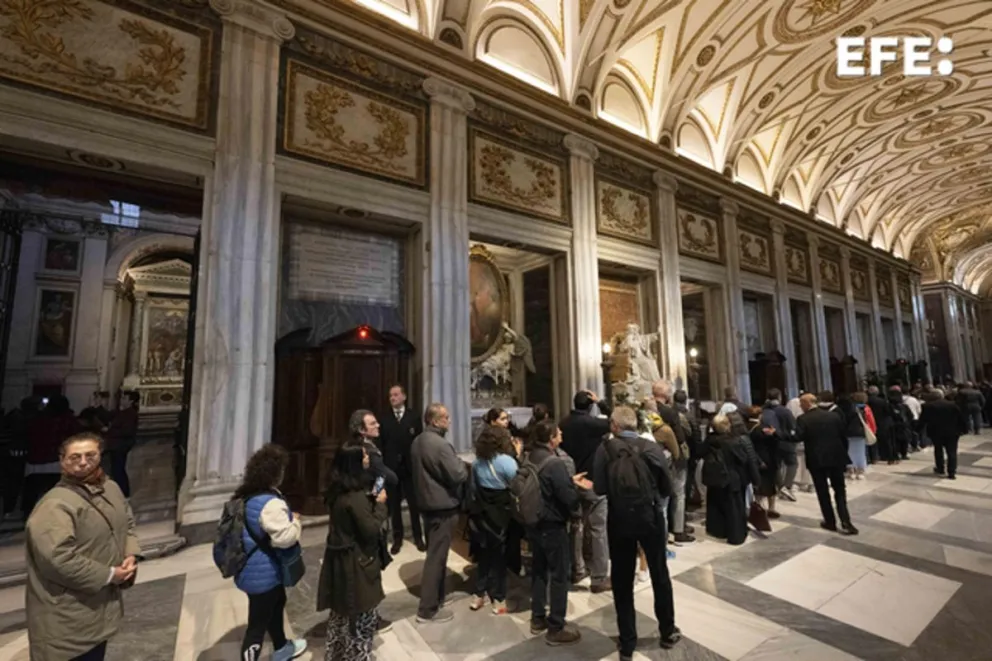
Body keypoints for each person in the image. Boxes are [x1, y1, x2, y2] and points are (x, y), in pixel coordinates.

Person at [25, 432, 140, 661]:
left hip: (99, 605)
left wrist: (130, 553)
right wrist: (109, 574)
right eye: (74, 457)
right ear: (62, 461)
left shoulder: (111, 488)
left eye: (91, 455)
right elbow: (57, 559)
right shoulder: (55, 504)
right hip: (67, 612)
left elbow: (126, 522)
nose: (83, 462)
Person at [593, 406, 681, 659]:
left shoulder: (605, 450)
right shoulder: (651, 447)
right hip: (650, 517)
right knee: (659, 573)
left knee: (621, 579)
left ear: (615, 426)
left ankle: (628, 641)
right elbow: (667, 487)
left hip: (619, 520)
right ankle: (667, 631)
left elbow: (599, 488)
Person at [232, 444, 307, 661]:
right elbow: (285, 538)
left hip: (253, 567)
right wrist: (296, 522)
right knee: (257, 625)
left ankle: (282, 647)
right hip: (262, 572)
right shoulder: (270, 503)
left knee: (276, 605)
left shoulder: (248, 495)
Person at [319, 441, 389, 661]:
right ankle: (358, 656)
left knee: (340, 613)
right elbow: (370, 530)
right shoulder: (354, 497)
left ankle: (336, 653)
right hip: (356, 563)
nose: (368, 459)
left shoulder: (337, 490)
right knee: (361, 617)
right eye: (364, 456)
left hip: (339, 558)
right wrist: (380, 505)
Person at [527, 419, 589, 645]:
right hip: (552, 524)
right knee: (560, 575)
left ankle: (537, 618)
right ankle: (556, 627)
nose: (561, 434)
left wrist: (567, 481)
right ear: (552, 438)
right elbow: (568, 497)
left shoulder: (530, 455)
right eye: (558, 432)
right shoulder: (554, 463)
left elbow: (545, 485)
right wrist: (574, 493)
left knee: (539, 570)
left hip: (534, 521)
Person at [410, 403, 467, 623]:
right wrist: (460, 463)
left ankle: (438, 596)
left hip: (426, 504)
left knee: (437, 554)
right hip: (442, 507)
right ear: (435, 421)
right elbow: (457, 475)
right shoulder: (440, 445)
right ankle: (427, 609)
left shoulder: (418, 441)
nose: (449, 421)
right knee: (436, 556)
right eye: (446, 418)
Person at [558, 390, 612, 591]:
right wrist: (602, 403)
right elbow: (616, 421)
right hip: (591, 480)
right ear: (590, 406)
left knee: (576, 525)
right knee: (598, 528)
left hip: (572, 479)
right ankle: (599, 577)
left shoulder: (564, 423)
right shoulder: (591, 423)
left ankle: (577, 568)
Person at [468, 424, 519, 614]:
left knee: (484, 555)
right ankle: (499, 598)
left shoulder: (476, 463)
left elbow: (473, 489)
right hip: (502, 514)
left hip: (482, 513)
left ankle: (478, 594)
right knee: (499, 557)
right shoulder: (506, 461)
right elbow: (517, 486)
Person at [797, 392, 857, 535]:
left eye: (801, 403)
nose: (800, 406)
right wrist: (843, 454)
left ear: (807, 403)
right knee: (840, 491)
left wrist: (776, 433)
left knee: (823, 492)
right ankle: (846, 522)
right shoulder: (834, 416)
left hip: (817, 460)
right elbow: (843, 437)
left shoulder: (803, 419)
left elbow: (797, 437)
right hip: (836, 458)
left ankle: (830, 521)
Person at [378, 385, 424, 554]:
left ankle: (418, 536)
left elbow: (419, 441)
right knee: (394, 505)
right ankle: (397, 538)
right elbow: (381, 444)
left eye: (396, 395)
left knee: (414, 504)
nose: (393, 398)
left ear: (404, 396)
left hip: (409, 467)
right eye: (390, 395)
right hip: (392, 469)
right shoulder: (384, 418)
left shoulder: (414, 416)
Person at [703, 413, 757, 545]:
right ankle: (735, 536)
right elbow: (743, 459)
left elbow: (700, 453)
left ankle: (718, 531)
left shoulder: (709, 440)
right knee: (734, 508)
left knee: (716, 505)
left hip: (714, 478)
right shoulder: (733, 442)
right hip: (731, 478)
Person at [24, 395, 82, 514]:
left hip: (36, 460)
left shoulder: (38, 418)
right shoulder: (69, 420)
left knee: (32, 489)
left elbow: (30, 435)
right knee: (56, 490)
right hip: (57, 461)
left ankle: (28, 513)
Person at [654, 382, 694, 543]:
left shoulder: (644, 409)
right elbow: (680, 437)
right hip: (672, 457)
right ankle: (678, 529)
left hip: (654, 457)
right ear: (667, 395)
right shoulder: (669, 413)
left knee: (661, 495)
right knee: (678, 493)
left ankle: (664, 530)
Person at [760, 388, 798, 502]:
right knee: (792, 464)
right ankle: (787, 486)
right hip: (785, 441)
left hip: (771, 442)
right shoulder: (785, 411)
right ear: (779, 397)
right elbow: (793, 426)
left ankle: (780, 486)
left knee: (777, 466)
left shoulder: (764, 410)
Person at [920, 392, 968, 479]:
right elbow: (961, 418)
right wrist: (964, 429)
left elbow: (923, 420)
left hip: (935, 432)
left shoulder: (927, 406)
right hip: (952, 432)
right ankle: (952, 472)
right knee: (952, 452)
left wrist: (918, 429)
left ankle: (940, 468)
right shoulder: (952, 405)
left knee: (938, 450)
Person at [103, 391, 139, 498]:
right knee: (115, 469)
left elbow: (127, 431)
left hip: (121, 445)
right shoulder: (122, 412)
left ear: (131, 401)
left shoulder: (130, 414)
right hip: (116, 445)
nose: (122, 400)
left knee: (118, 469)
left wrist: (109, 431)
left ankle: (124, 493)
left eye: (124, 398)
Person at [747, 405, 781, 518]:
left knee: (757, 485)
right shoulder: (762, 428)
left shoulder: (745, 427)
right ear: (760, 415)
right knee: (770, 484)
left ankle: (758, 508)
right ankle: (771, 508)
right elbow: (773, 442)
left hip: (752, 459)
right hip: (766, 459)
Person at [837, 393, 874, 480]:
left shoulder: (849, 408)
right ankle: (860, 470)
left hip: (850, 432)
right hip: (861, 432)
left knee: (851, 451)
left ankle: (851, 470)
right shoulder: (866, 408)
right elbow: (870, 420)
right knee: (861, 452)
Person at [867, 386, 896, 464]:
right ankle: (890, 458)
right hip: (883, 422)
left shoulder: (867, 402)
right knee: (887, 441)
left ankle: (874, 458)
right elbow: (888, 412)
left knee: (872, 441)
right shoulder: (882, 401)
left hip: (871, 423)